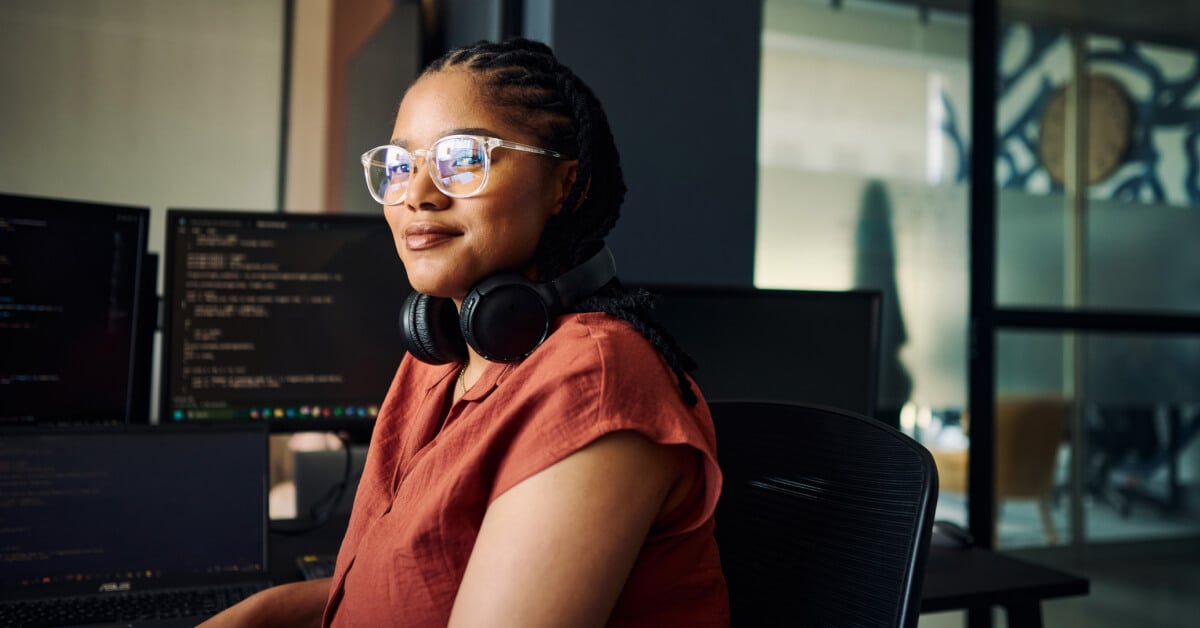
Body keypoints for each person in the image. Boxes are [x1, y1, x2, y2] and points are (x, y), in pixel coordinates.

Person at [203, 38, 728, 627]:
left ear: (564, 184)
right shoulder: (442, 354)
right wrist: (260, 614)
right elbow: (391, 592)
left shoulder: (595, 382)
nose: (418, 196)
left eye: (463, 158)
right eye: (400, 166)